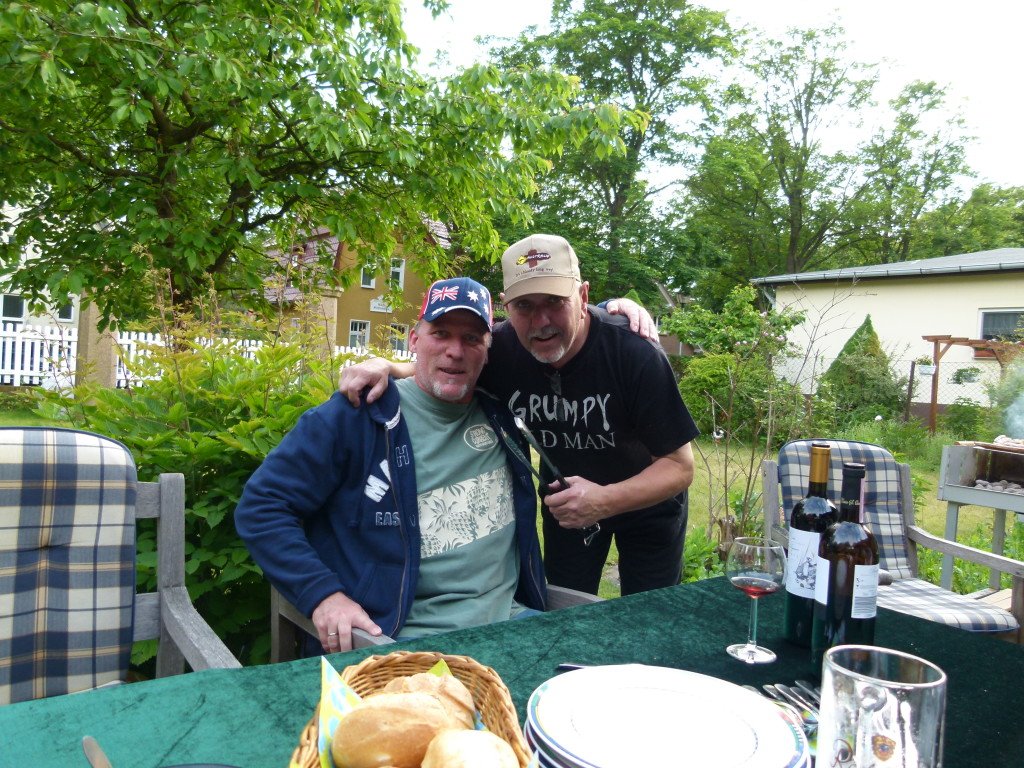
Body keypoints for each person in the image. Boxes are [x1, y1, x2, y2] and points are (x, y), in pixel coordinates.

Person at [340, 234, 699, 597]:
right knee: (566, 610)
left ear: (583, 297)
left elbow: (679, 466)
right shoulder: (502, 350)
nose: (541, 321)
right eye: (524, 305)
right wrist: (387, 365)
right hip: (568, 504)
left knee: (650, 615)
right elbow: (450, 362)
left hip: (648, 501)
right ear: (505, 307)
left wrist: (604, 500)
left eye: (555, 302)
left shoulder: (634, 354)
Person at [235, 277, 546, 653]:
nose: (455, 351)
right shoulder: (356, 417)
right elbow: (262, 505)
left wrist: (620, 312)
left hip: (515, 624)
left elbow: (564, 326)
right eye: (441, 333)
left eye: (471, 339)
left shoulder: (499, 415)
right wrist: (324, 595)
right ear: (414, 340)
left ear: (486, 351)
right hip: (402, 642)